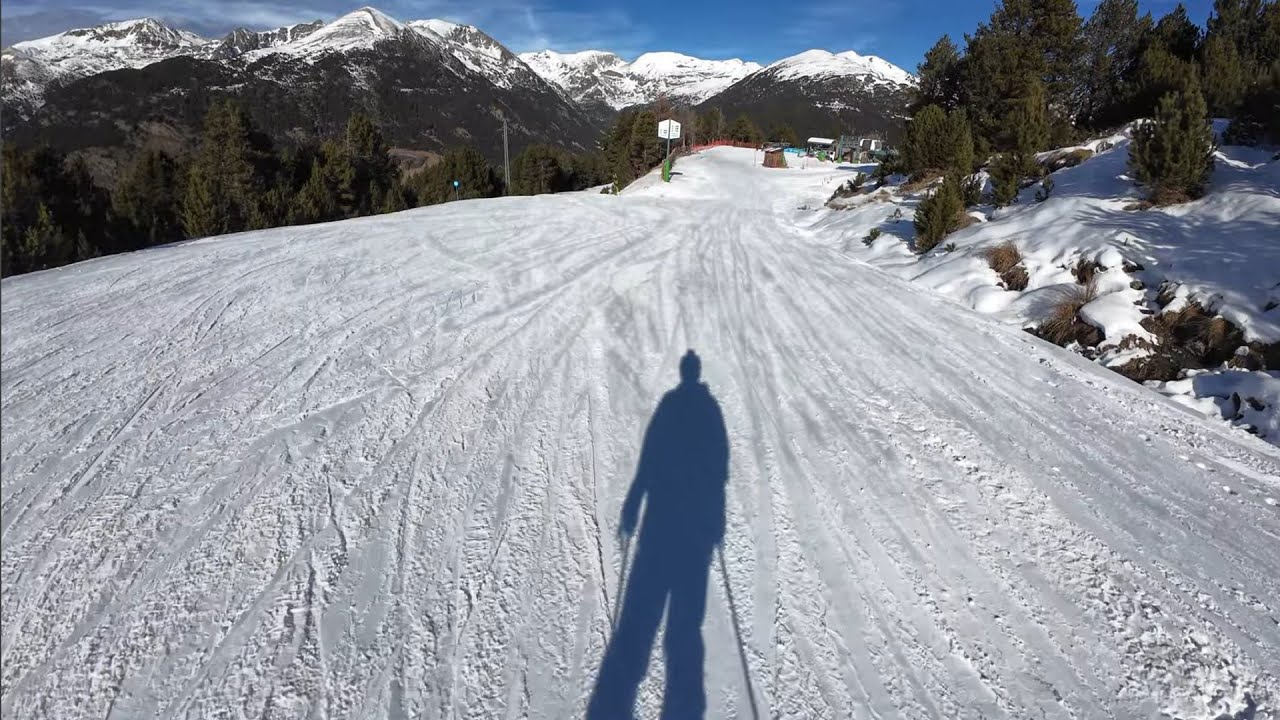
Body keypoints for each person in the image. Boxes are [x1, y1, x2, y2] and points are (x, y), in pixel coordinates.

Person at [588, 350, 729, 719]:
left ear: (683, 374)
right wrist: (717, 523)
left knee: (639, 620)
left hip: (659, 533)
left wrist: (632, 508)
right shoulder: (711, 411)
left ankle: (613, 704)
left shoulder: (668, 407)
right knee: (685, 631)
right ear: (697, 374)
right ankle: (683, 709)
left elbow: (648, 462)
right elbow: (720, 473)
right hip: (694, 539)